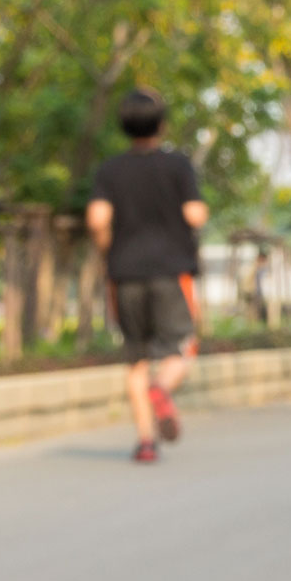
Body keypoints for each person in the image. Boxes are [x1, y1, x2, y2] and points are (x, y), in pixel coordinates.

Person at [86, 89, 207, 465]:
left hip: (124, 274)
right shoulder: (177, 166)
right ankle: (162, 389)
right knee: (182, 346)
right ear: (162, 123)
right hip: (170, 270)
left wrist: (109, 248)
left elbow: (97, 220)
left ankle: (145, 443)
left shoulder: (110, 170)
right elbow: (195, 215)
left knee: (135, 358)